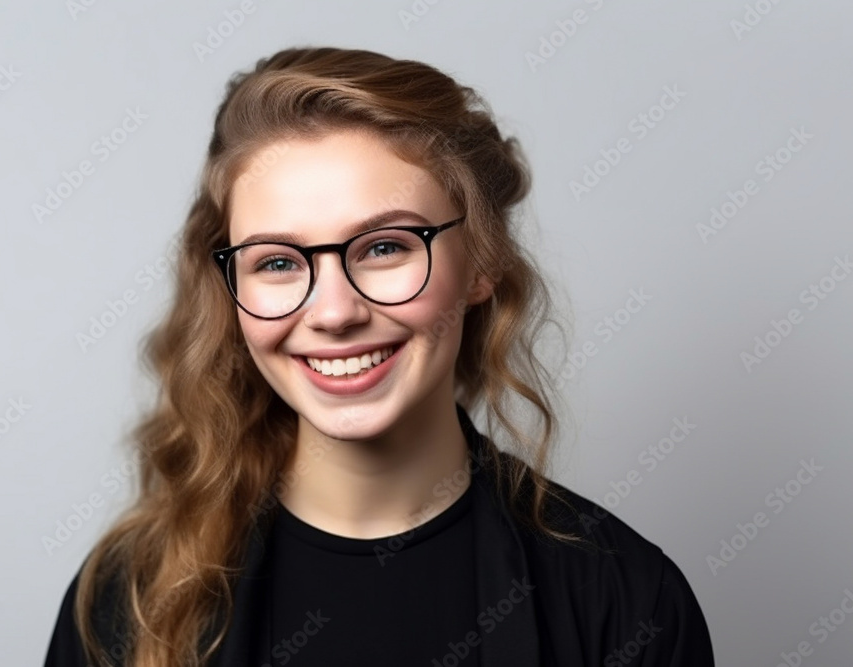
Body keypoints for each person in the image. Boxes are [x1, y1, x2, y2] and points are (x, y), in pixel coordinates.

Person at [43, 46, 716, 667]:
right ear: (232, 288)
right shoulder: (127, 599)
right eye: (277, 261)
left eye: (385, 247)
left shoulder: (628, 602)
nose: (334, 312)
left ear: (482, 261)